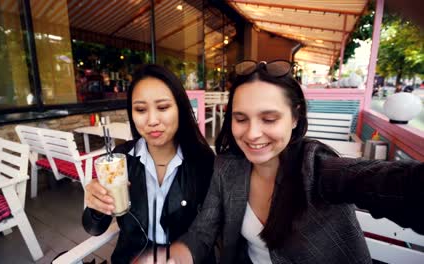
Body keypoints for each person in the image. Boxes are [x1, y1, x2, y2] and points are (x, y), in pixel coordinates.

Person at [155, 60, 424, 264]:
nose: (252, 133)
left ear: (294, 118)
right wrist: (169, 257)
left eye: (269, 119)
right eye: (241, 118)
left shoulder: (318, 168)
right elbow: (203, 232)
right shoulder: (227, 167)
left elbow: (390, 184)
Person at [82, 64, 216, 263]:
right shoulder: (121, 159)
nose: (152, 120)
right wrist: (96, 208)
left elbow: (210, 231)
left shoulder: (203, 162)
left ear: (180, 108)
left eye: (163, 107)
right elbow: (93, 229)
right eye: (141, 109)